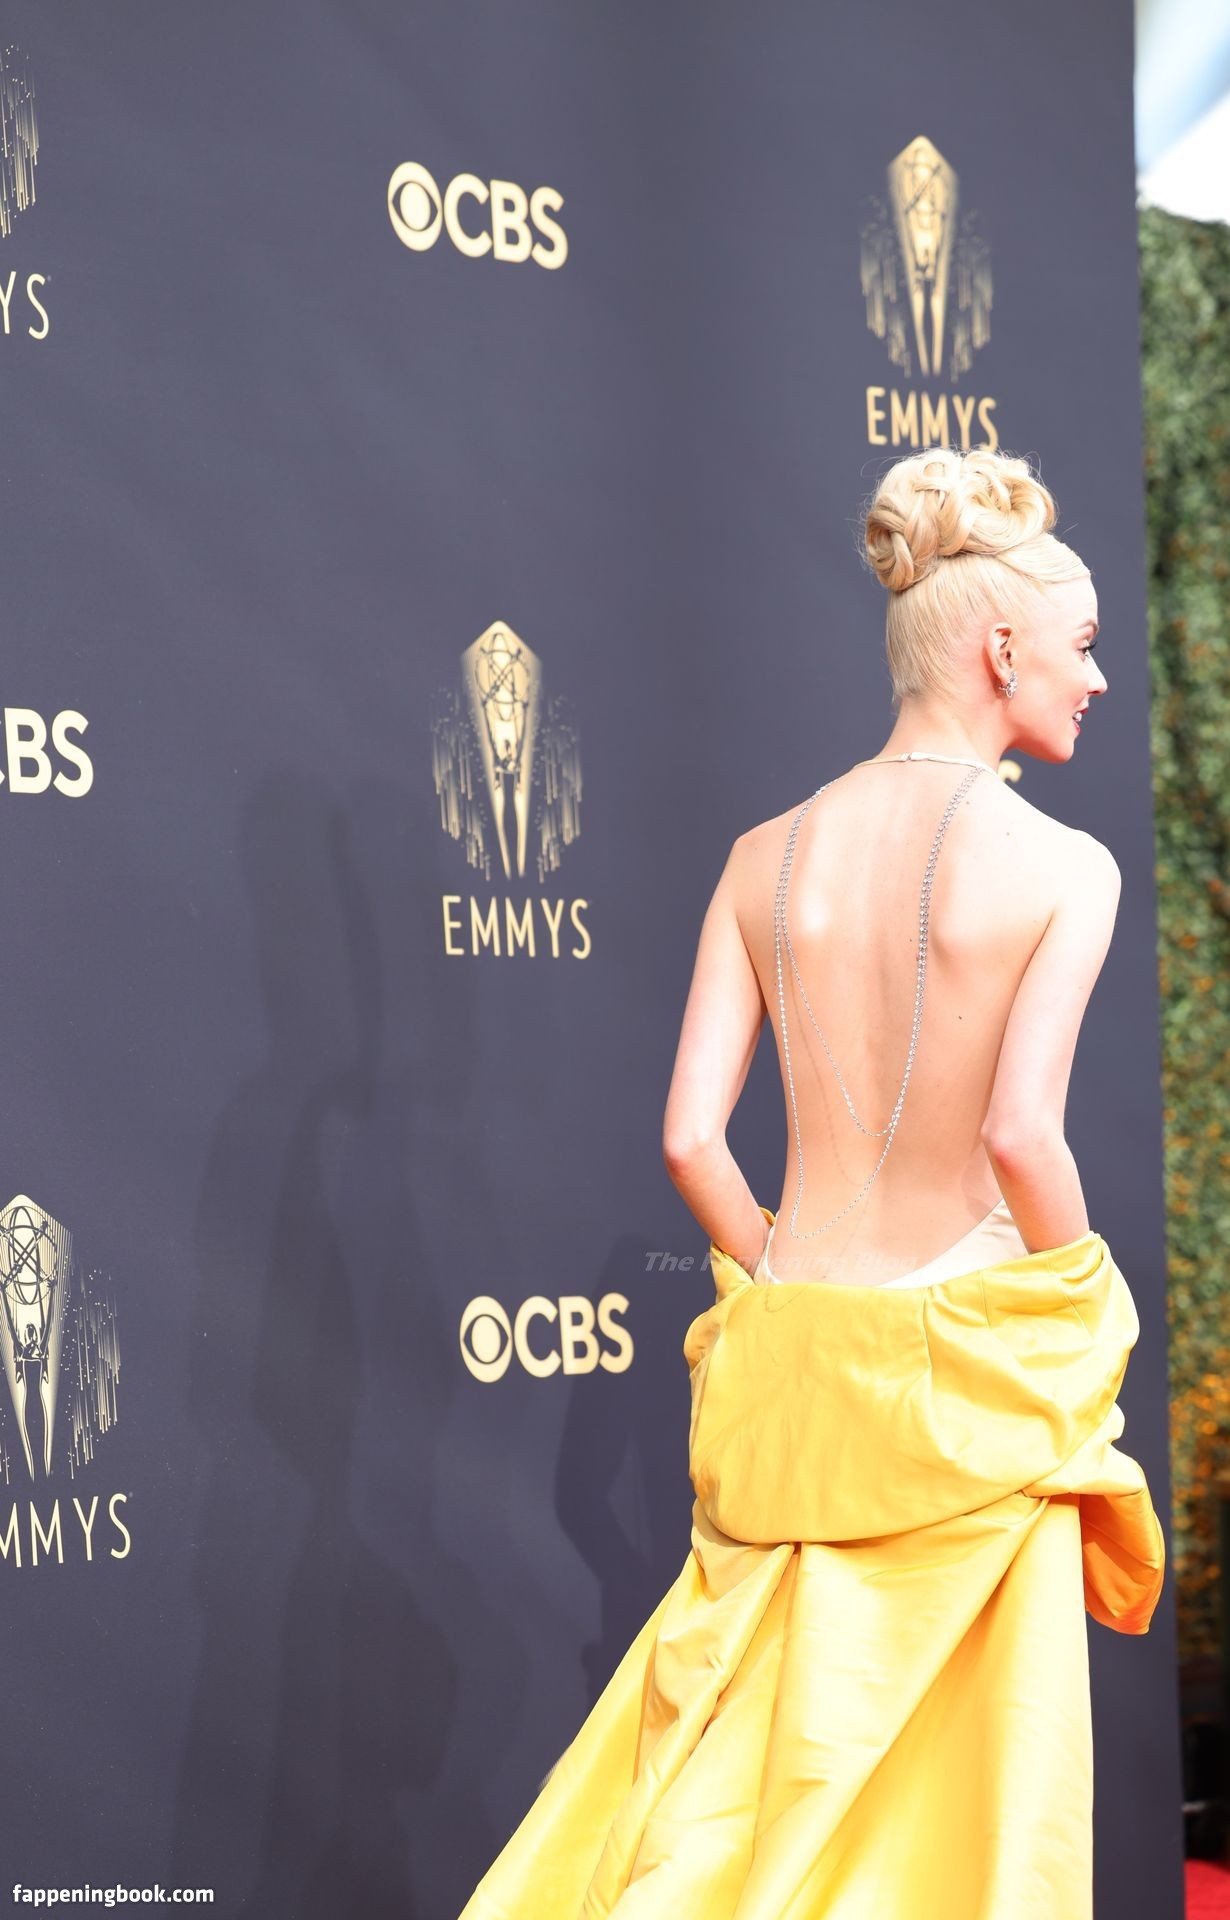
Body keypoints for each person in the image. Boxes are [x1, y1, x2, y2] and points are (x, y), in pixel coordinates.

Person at [457, 448, 1165, 1920]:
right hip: (973, 1404)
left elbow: (688, 1143)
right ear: (1001, 648)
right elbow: (1021, 1136)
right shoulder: (1066, 869)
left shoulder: (761, 858)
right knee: (956, 1841)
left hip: (789, 1376)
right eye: (1085, 645)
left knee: (733, 1813)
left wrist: (783, 1279)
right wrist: (1080, 1314)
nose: (1100, 679)